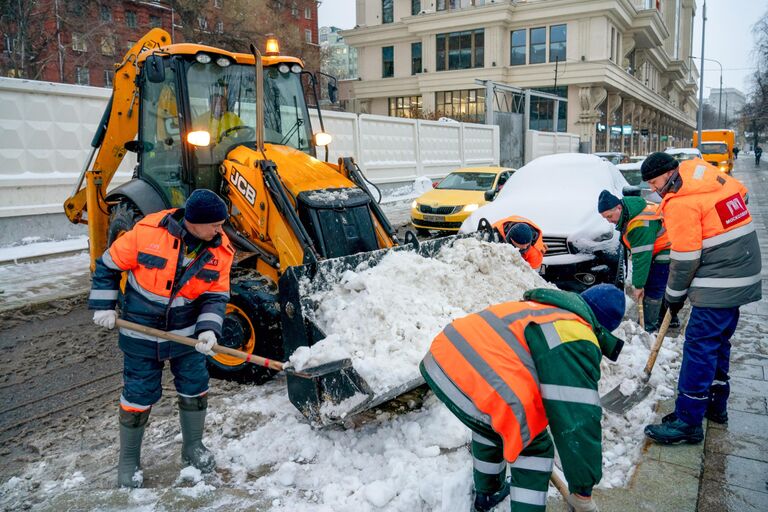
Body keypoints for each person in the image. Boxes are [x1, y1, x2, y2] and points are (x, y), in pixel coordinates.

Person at [420, 284, 626, 512]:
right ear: (603, 327)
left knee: (493, 422)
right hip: (474, 377)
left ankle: (488, 493)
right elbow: (577, 417)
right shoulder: (575, 333)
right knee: (535, 447)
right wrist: (582, 491)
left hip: (442, 360)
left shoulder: (540, 308)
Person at [89, 189, 235, 487]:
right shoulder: (146, 234)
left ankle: (193, 447)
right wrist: (104, 305)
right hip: (141, 330)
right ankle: (129, 460)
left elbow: (216, 295)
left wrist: (209, 328)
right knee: (138, 393)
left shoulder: (221, 249)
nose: (221, 230)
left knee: (195, 386)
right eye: (216, 225)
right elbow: (107, 264)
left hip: (187, 335)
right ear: (194, 221)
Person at [640, 152, 761, 444]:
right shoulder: (704, 174)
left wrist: (673, 297)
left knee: (699, 343)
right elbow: (740, 198)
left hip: (721, 278)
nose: (655, 191)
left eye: (655, 183)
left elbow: (684, 259)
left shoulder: (681, 201)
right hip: (744, 266)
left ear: (668, 174)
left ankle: (688, 420)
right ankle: (715, 404)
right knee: (718, 339)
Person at [597, 190, 676, 331]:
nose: (609, 220)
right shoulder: (630, 209)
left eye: (609, 216)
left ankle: (648, 328)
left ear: (619, 208)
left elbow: (642, 258)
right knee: (661, 285)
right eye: (605, 218)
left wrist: (638, 285)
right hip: (661, 244)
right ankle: (668, 319)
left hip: (669, 247)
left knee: (654, 288)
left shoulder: (639, 224)